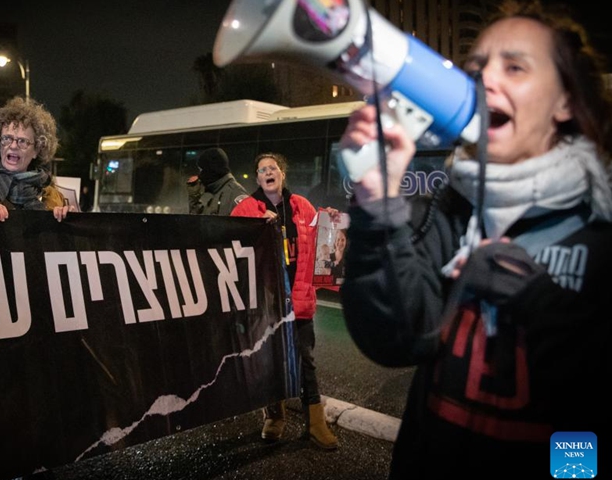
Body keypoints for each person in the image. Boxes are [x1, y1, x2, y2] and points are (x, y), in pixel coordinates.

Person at [339, 1, 612, 477]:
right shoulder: (450, 211)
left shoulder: (599, 226)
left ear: (565, 101)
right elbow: (395, 342)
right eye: (476, 67)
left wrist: (542, 307)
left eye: (514, 66)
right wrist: (377, 207)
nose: (485, 80)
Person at [231, 152, 339, 450]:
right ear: (256, 179)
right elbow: (231, 246)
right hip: (265, 303)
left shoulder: (300, 206)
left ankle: (316, 424)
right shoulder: (246, 209)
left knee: (306, 362)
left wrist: (331, 222)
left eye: (273, 167)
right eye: (262, 169)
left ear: (282, 173)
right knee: (269, 362)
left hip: (300, 299)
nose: (268, 172)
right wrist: (257, 228)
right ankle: (274, 417)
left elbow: (323, 242)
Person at [187, 147, 249, 215]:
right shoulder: (218, 194)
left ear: (211, 170)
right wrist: (194, 199)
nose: (199, 175)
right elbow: (202, 223)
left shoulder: (235, 193)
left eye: (201, 170)